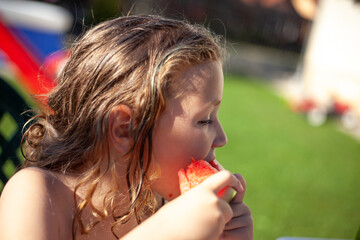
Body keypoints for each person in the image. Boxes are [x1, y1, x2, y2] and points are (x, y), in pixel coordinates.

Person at [0, 15, 253, 240]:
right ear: (125, 129)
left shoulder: (153, 202)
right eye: (205, 119)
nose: (222, 138)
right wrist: (163, 231)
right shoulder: (34, 195)